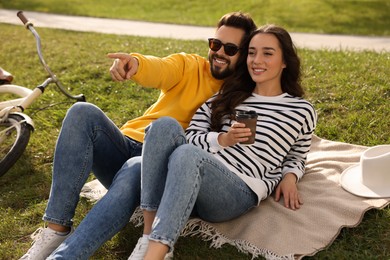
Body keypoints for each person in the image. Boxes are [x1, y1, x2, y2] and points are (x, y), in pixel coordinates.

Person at [20, 12, 257, 259]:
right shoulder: (190, 65)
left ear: (244, 55)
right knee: (82, 112)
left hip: (162, 168)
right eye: (215, 44)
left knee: (137, 164)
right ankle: (56, 228)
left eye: (230, 49)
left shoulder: (243, 96)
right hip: (128, 146)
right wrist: (135, 62)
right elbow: (161, 68)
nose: (218, 53)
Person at [136, 24, 317, 259]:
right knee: (164, 125)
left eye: (267, 53)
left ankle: (155, 253)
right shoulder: (228, 96)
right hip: (196, 179)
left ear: (285, 61)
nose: (256, 60)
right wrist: (222, 139)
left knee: (187, 155)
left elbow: (297, 154)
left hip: (237, 191)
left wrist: (290, 176)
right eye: (251, 52)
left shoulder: (301, 110)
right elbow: (188, 136)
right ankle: (147, 236)